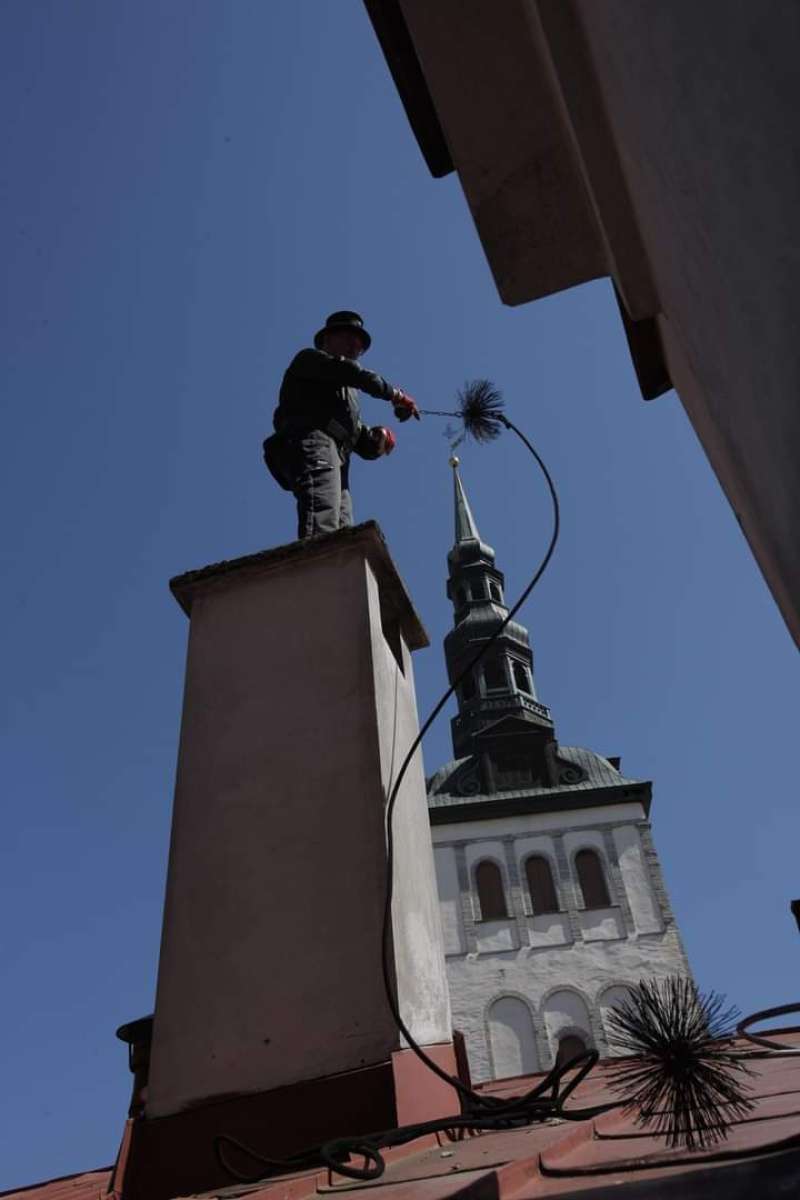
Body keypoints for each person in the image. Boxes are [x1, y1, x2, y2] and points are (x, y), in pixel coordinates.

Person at [264, 311, 420, 539]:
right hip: (313, 441)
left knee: (344, 527)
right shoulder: (309, 360)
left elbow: (355, 434)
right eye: (349, 338)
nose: (355, 346)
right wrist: (395, 394)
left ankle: (337, 559)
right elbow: (353, 373)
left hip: (337, 456)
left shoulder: (349, 393)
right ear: (327, 339)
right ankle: (318, 559)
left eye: (360, 344)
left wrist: (377, 439)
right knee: (323, 513)